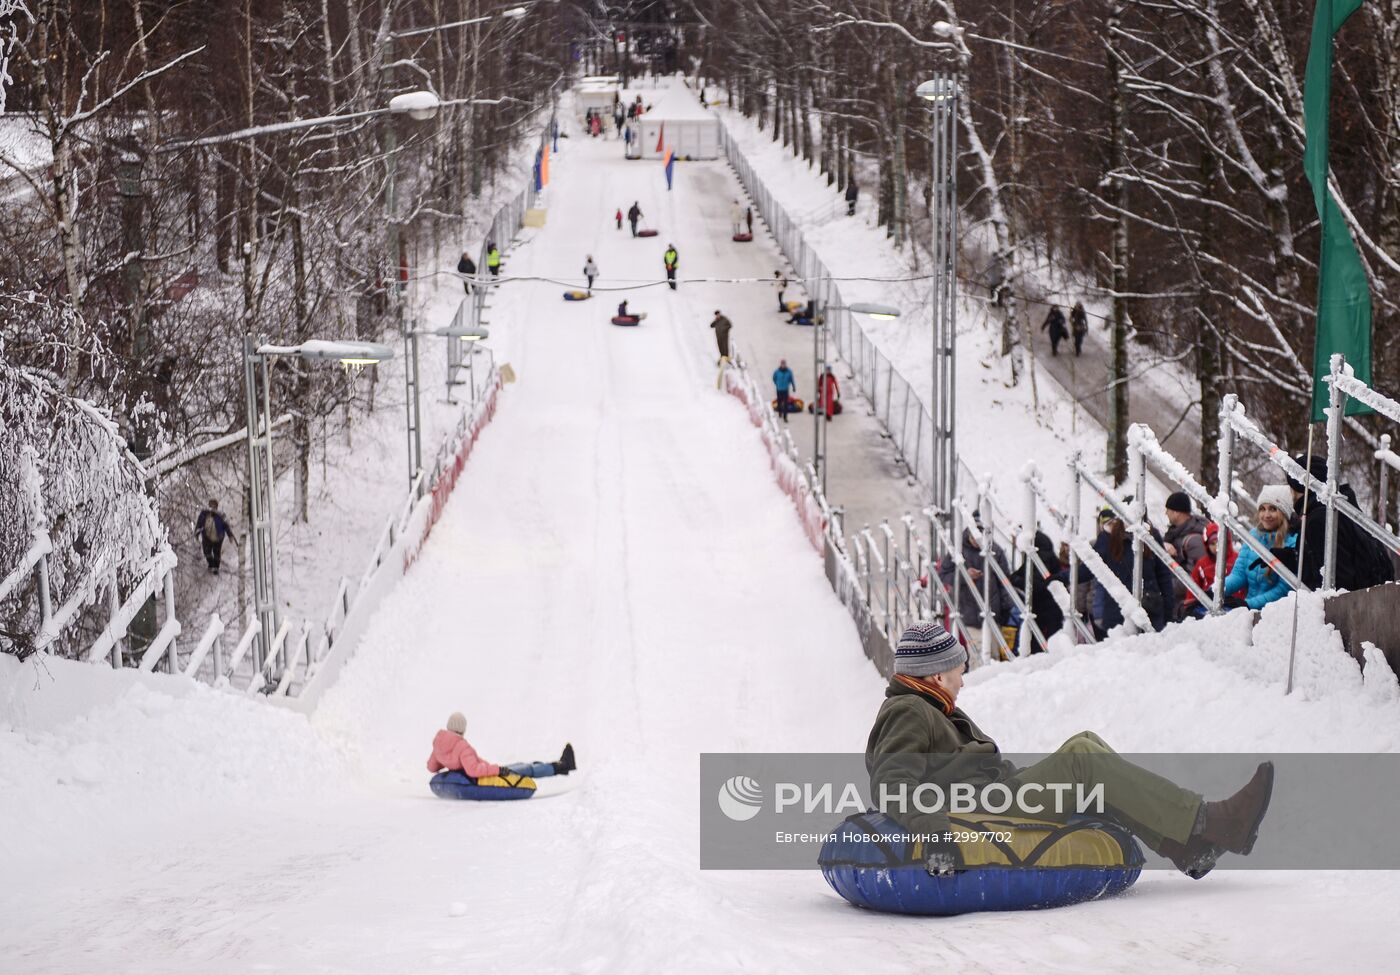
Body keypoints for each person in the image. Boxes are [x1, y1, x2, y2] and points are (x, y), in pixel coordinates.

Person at [867, 620, 1276, 880]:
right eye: (958, 672)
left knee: (1087, 743)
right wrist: (934, 831)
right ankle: (1210, 821)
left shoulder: (929, 706)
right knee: (1082, 757)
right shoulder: (909, 711)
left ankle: (1186, 847)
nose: (963, 681)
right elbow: (892, 784)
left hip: (991, 796)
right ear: (937, 674)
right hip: (974, 812)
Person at [1287, 454, 1395, 592]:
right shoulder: (1343, 508)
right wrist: (1291, 557)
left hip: (1351, 607)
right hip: (1374, 596)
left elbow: (1338, 578)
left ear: (1298, 486)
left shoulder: (1319, 520)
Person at [1091, 506, 1174, 634]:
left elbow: (1163, 574)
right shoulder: (1107, 538)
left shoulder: (1151, 536)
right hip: (1118, 611)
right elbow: (1094, 572)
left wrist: (1168, 610)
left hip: (1150, 608)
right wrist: (1098, 613)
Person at [428, 712, 576, 782]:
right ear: (462, 728)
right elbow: (473, 771)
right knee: (525, 770)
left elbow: (431, 767)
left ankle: (556, 766)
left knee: (519, 765)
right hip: (481, 778)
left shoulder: (439, 744)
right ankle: (561, 766)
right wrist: (497, 769)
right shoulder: (461, 746)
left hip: (473, 774)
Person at [936, 517, 1010, 656]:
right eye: (974, 538)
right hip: (968, 613)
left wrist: (1006, 609)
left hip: (992, 612)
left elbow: (1004, 582)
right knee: (978, 655)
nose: (977, 542)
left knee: (994, 654)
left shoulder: (996, 551)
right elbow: (943, 576)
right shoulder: (957, 551)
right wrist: (965, 576)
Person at [1216, 486, 1298, 611]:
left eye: (1273, 509)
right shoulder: (1253, 535)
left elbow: (1284, 589)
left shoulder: (1293, 541)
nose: (1266, 515)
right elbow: (1239, 574)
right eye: (1262, 509)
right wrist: (1217, 590)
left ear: (1284, 512)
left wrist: (1248, 605)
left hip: (1278, 614)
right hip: (1250, 610)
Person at [1182, 522, 1245, 618]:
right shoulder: (1202, 564)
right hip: (1208, 604)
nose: (1217, 547)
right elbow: (1194, 586)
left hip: (1235, 604)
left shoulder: (1237, 560)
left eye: (1219, 542)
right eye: (1212, 543)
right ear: (1207, 545)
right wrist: (1189, 603)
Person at [1163, 492, 1208, 619]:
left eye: (1168, 510)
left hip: (1187, 608)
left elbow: (1195, 578)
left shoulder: (1194, 540)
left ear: (1176, 512)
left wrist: (1164, 587)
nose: (1166, 513)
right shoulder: (1176, 533)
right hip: (1178, 603)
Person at [194, 500, 237, 574]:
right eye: (211, 505)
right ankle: (211, 564)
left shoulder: (221, 515)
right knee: (206, 551)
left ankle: (216, 568)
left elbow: (226, 526)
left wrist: (230, 535)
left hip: (218, 537)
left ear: (216, 507)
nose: (212, 507)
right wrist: (197, 533)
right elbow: (199, 524)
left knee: (216, 552)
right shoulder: (204, 514)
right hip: (206, 536)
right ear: (208, 505)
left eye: (214, 506)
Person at [772, 359, 796, 423]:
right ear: (780, 364)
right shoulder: (777, 371)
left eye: (784, 364)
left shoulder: (789, 372)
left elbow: (791, 379)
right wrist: (777, 384)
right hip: (779, 389)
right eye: (782, 364)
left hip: (785, 390)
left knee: (785, 404)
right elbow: (774, 378)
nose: (783, 365)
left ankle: (785, 417)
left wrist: (793, 386)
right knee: (779, 402)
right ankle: (780, 412)